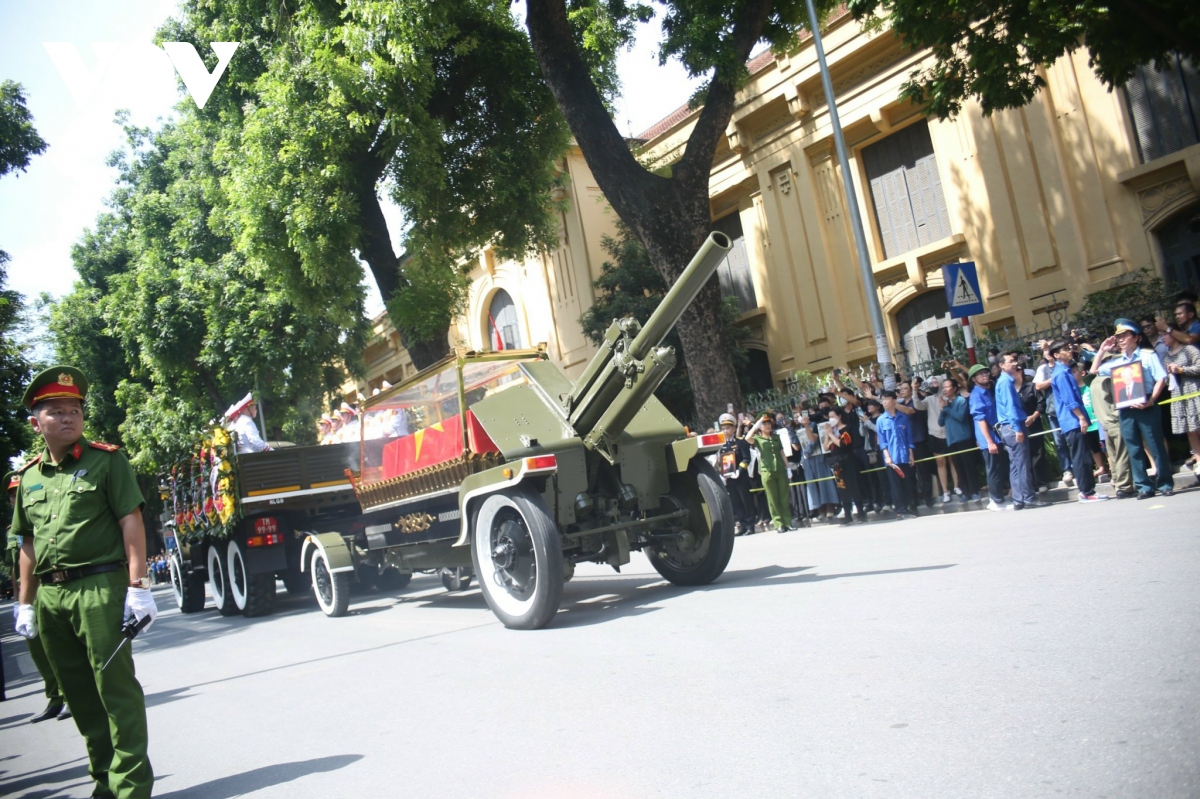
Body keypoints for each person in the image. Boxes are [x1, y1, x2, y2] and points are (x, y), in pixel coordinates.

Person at [12, 366, 156, 799]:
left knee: (116, 692)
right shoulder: (29, 478)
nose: (69, 417)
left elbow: (130, 521)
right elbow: (28, 543)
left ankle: (131, 789)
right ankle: (104, 785)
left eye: (74, 409)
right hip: (51, 596)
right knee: (80, 696)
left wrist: (139, 585)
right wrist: (25, 602)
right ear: (36, 422)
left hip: (99, 589)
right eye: (56, 411)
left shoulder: (107, 461)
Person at [6, 471, 71, 723]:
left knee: (56, 649)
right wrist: (19, 602)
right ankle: (54, 697)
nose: (15, 498)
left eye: (18, 492)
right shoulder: (12, 530)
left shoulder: (43, 516)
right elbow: (15, 567)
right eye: (11, 495)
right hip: (27, 595)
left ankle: (69, 697)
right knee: (38, 650)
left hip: (47, 588)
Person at [1091, 319, 1175, 499]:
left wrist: (1152, 400)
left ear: (1136, 338)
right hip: (1126, 408)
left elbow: (1161, 378)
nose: (1120, 340)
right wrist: (1102, 350)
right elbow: (1094, 370)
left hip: (1146, 405)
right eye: (1118, 337)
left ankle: (1165, 483)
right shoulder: (1117, 361)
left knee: (1155, 445)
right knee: (1133, 447)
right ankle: (1144, 486)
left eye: (1124, 336)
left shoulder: (1147, 355)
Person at [1047, 341, 1107, 502]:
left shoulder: (1065, 371)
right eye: (1064, 350)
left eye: (1068, 348)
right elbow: (1069, 399)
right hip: (1072, 421)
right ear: (1056, 355)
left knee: (1084, 456)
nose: (1069, 351)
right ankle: (1086, 491)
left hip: (1074, 420)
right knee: (1081, 457)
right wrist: (1081, 417)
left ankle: (1088, 490)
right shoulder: (1061, 373)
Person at [995, 352, 1042, 510]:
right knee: (1021, 464)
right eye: (1010, 361)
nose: (1014, 363)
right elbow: (1011, 408)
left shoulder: (1003, 381)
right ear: (1001, 365)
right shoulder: (1006, 382)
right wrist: (1017, 429)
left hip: (1006, 428)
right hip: (1012, 426)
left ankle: (1018, 499)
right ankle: (1028, 498)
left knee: (1015, 465)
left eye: (1014, 361)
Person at [1089, 351, 1137, 498]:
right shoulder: (1108, 379)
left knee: (1114, 455)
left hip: (1104, 423)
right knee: (1122, 455)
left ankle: (1117, 481)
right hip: (1115, 420)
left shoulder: (1093, 381)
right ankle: (1124, 486)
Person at [1160, 330, 1200, 484]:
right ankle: (1198, 462)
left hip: (1194, 390)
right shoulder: (1166, 356)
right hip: (1178, 393)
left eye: (1164, 334)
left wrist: (1182, 370)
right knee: (1190, 430)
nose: (1163, 337)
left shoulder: (1189, 350)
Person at [969, 364, 1010, 510]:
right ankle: (996, 500)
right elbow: (980, 419)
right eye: (980, 374)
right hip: (989, 437)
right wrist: (989, 441)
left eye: (985, 372)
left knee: (999, 467)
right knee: (993, 469)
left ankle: (999, 498)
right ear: (974, 379)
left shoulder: (987, 392)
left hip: (995, 435)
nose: (984, 375)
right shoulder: (976, 395)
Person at [744, 412, 792, 531]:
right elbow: (747, 438)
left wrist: (788, 468)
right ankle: (779, 524)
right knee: (772, 499)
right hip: (767, 471)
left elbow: (781, 452)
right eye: (764, 424)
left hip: (780, 469)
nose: (767, 426)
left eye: (768, 423)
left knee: (784, 498)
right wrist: (755, 426)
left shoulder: (776, 437)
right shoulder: (758, 439)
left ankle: (788, 523)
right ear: (760, 426)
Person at [875, 390, 918, 518]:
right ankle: (900, 510)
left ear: (894, 401)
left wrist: (911, 454)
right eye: (882, 400)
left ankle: (907, 507)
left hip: (904, 455)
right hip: (891, 458)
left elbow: (909, 438)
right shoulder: (881, 420)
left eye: (886, 399)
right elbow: (882, 441)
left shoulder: (903, 417)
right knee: (895, 485)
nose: (884, 402)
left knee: (906, 483)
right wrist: (887, 456)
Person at [823, 406, 868, 525]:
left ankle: (860, 513)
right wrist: (828, 434)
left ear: (839, 416)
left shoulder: (846, 429)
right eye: (830, 417)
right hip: (837, 463)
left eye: (833, 416)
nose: (831, 419)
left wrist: (832, 434)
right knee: (842, 488)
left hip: (848, 460)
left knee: (854, 486)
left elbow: (843, 444)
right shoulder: (832, 431)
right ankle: (847, 514)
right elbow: (826, 447)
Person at [939, 377, 981, 504]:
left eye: (947, 387)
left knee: (969, 467)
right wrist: (942, 409)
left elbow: (961, 417)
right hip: (952, 441)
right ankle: (965, 492)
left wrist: (946, 408)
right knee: (959, 468)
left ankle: (974, 491)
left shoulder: (961, 401)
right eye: (943, 387)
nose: (944, 389)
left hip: (964, 438)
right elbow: (940, 423)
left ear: (955, 388)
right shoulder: (946, 404)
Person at [717, 414, 756, 535]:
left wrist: (739, 470)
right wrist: (722, 473)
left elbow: (746, 458)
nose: (725, 431)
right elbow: (720, 461)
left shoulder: (740, 442)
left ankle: (750, 525)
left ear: (734, 429)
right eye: (723, 428)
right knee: (736, 503)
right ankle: (742, 525)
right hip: (729, 479)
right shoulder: (721, 445)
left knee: (746, 502)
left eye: (727, 428)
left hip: (741, 478)